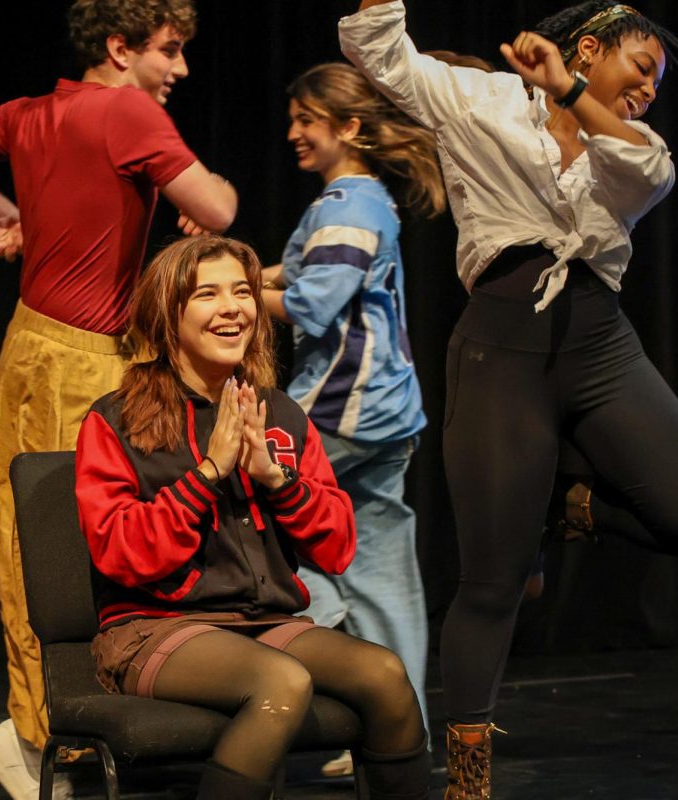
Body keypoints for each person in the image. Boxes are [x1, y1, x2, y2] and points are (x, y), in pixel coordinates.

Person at [339, 2, 678, 797]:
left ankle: (563, 505)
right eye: (642, 69)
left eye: (656, 80)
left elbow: (648, 171)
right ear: (591, 46)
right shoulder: (481, 103)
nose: (650, 90)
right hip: (502, 350)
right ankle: (467, 781)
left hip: (598, 345)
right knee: (492, 582)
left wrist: (574, 88)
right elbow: (382, 52)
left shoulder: (629, 147)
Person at [0, 1, 236, 796]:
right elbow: (223, 207)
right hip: (80, 362)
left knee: (24, 536)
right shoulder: (126, 108)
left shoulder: (31, 113)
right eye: (170, 51)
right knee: (72, 545)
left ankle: (52, 728)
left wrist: (1, 212)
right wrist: (191, 197)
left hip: (30, 342)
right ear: (120, 49)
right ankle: (46, 739)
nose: (180, 70)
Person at [75, 234, 431, 800]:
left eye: (242, 292)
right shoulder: (116, 421)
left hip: (264, 624)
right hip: (152, 629)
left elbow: (336, 547)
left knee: (385, 675)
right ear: (169, 315)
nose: (232, 308)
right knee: (281, 683)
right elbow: (121, 552)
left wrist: (276, 480)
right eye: (208, 294)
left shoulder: (280, 414)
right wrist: (208, 474)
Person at [259, 61, 445, 776]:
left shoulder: (348, 207)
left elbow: (312, 304)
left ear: (350, 128)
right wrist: (254, 274)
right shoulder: (360, 202)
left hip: (342, 410)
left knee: (249, 516)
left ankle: (314, 649)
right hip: (387, 411)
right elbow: (306, 277)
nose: (294, 133)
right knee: (381, 567)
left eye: (307, 120)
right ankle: (401, 731)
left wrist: (217, 296)